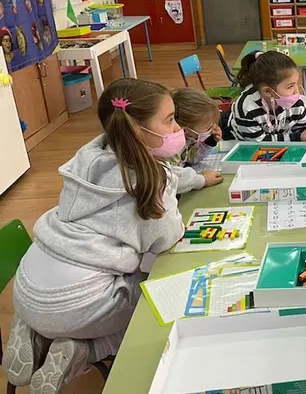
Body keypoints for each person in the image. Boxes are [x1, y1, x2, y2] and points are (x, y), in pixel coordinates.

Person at [3, 79, 223, 392]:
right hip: (74, 302)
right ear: (138, 130)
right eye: (170, 120)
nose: (177, 128)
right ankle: (84, 350)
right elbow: (166, 238)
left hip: (28, 288)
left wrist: (195, 180)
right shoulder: (152, 181)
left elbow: (164, 175)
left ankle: (33, 331)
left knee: (118, 282)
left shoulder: (91, 155)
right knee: (157, 306)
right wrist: (173, 196)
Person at [227, 51, 306, 153]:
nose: (296, 91)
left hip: (278, 140)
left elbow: (304, 127)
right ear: (267, 91)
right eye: (290, 86)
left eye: (296, 83)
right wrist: (297, 138)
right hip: (242, 144)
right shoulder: (247, 108)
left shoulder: (295, 102)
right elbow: (259, 144)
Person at [171, 87, 222, 167]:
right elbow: (173, 173)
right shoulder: (171, 149)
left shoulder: (189, 138)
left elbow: (191, 158)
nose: (212, 130)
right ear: (185, 130)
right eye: (208, 127)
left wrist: (210, 142)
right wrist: (200, 176)